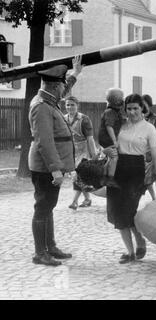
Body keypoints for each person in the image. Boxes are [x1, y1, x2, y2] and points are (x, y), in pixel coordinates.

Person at [28, 56, 83, 266]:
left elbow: (63, 88)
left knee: (48, 205)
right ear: (53, 86)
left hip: (47, 167)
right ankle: (40, 253)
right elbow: (45, 140)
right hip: (44, 167)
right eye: (62, 84)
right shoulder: (41, 106)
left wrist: (75, 74)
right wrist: (56, 170)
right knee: (43, 206)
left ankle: (50, 246)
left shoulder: (48, 98)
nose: (65, 90)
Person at [104, 93, 156, 264]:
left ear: (142, 109)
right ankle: (131, 251)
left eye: (135, 108)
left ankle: (138, 242)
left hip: (135, 171)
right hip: (117, 170)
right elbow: (107, 144)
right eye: (129, 108)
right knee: (118, 212)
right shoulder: (120, 125)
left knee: (128, 211)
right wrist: (106, 151)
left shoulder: (149, 128)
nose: (132, 112)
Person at [64, 96, 97, 210]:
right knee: (77, 176)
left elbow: (90, 138)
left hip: (84, 151)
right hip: (70, 151)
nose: (70, 107)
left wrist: (94, 154)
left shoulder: (84, 119)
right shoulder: (64, 119)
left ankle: (74, 202)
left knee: (78, 175)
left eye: (72, 104)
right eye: (68, 104)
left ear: (77, 106)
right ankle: (87, 199)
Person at [98, 88, 124, 187]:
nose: (123, 99)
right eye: (121, 98)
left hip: (105, 138)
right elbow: (109, 126)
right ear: (116, 100)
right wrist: (114, 140)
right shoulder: (110, 112)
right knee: (114, 157)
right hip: (107, 138)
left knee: (110, 158)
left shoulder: (113, 111)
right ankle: (110, 179)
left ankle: (104, 177)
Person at [142, 94, 156, 200]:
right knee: (145, 176)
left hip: (152, 150)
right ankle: (153, 197)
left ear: (149, 104)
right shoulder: (136, 118)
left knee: (153, 174)